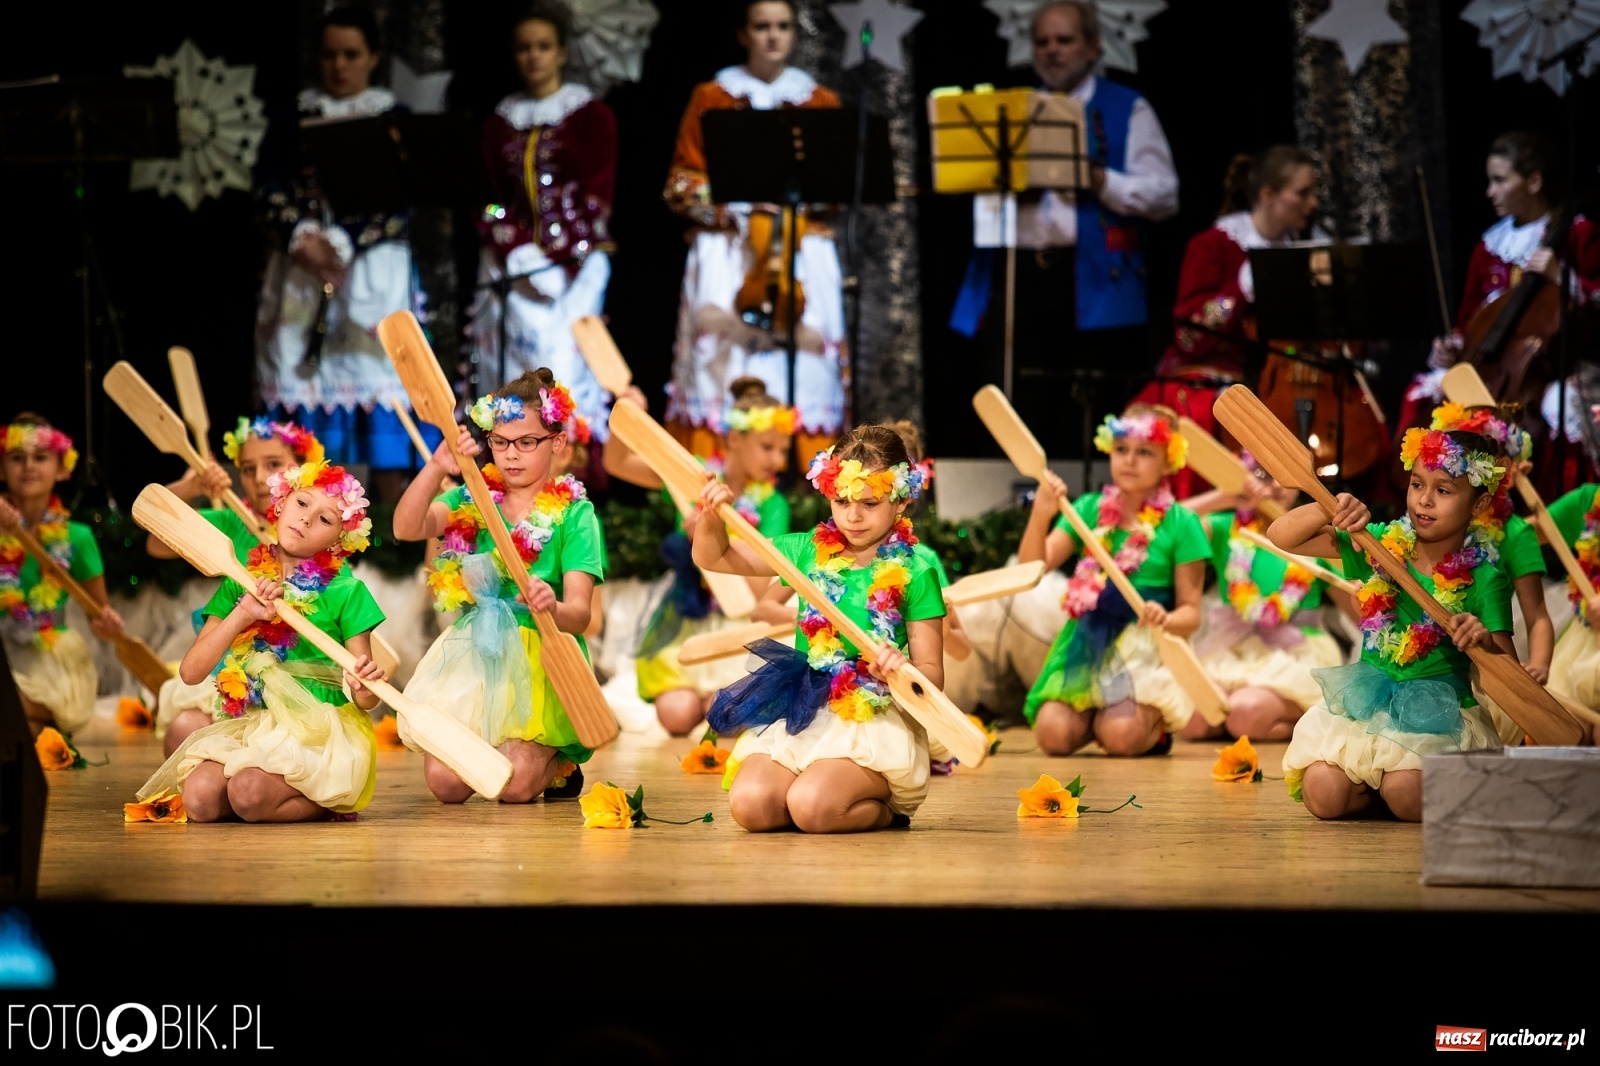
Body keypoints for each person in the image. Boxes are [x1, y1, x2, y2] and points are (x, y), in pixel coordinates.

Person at [954, 0, 1178, 457]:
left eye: (1064, 40)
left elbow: (1164, 196)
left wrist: (1100, 181)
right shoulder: (1011, 111)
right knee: (1022, 398)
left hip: (1092, 280)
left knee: (1090, 406)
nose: (1052, 50)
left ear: (1093, 46)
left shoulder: (1127, 106)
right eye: (1042, 42)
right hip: (1022, 277)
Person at [693, 425, 941, 832]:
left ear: (901, 500)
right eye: (841, 500)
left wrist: (899, 670)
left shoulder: (917, 572)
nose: (853, 516)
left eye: (869, 503)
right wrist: (710, 516)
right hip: (804, 705)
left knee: (813, 808)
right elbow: (714, 557)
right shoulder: (806, 550)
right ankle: (813, 793)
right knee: (751, 806)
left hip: (872, 715)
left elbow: (933, 676)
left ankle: (886, 812)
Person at [1270, 427, 1513, 821]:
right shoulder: (1380, 544)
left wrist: (1482, 642)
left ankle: (1394, 788)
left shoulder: (1486, 579)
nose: (1424, 500)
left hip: (1437, 718)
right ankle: (1372, 788)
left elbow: (1508, 680)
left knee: (1406, 793)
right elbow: (1281, 536)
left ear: (1479, 502)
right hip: (1367, 706)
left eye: (1443, 490)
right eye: (1417, 484)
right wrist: (1329, 506)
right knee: (1322, 795)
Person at [394, 369, 605, 803]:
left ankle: (558, 764)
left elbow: (580, 615)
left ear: (557, 443)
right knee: (445, 784)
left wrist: (552, 606)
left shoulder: (575, 514)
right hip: (478, 651)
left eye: (526, 442)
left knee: (513, 786)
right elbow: (406, 527)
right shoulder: (472, 497)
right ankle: (499, 746)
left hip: (541, 657)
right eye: (500, 442)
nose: (511, 454)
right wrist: (436, 467)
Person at [133, 460, 386, 822]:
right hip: (254, 719)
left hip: (314, 729)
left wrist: (364, 686)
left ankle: (324, 799)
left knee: (247, 793)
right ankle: (261, 797)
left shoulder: (347, 590)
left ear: (340, 539)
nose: (306, 519)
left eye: (325, 519)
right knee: (199, 800)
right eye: (302, 503)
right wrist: (243, 613)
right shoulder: (240, 581)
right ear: (281, 503)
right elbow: (191, 672)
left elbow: (367, 698)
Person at [662, 0, 846, 463]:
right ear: (743, 34)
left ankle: (806, 473)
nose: (773, 36)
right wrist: (736, 203)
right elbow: (681, 184)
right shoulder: (713, 96)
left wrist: (794, 198)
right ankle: (721, 470)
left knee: (807, 363)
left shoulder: (818, 101)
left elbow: (837, 188)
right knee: (721, 364)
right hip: (730, 249)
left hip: (799, 248)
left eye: (782, 26)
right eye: (762, 26)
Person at [256, 5, 427, 503]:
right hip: (302, 272)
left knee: (379, 384)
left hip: (372, 271)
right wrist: (299, 233)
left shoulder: (392, 119)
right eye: (330, 55)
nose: (339, 65)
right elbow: (266, 185)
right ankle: (304, 514)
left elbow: (404, 197)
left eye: (351, 54)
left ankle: (392, 525)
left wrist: (347, 238)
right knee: (300, 380)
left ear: (373, 57)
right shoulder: (293, 117)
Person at [1402, 131, 1600, 497]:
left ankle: (1567, 507)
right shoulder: (1490, 243)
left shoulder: (1577, 234)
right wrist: (1451, 346)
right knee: (1428, 390)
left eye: (1500, 180)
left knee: (1561, 405)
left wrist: (1562, 278)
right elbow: (1468, 319)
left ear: (1534, 182)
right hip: (1492, 362)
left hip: (1558, 366)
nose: (1490, 192)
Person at [1018, 403, 1210, 756]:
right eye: (1121, 449)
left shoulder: (1183, 524)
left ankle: (1141, 727)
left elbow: (1191, 614)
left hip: (1145, 650)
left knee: (1122, 737)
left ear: (1168, 461)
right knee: (1052, 735)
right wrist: (1041, 513)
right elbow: (1030, 567)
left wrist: (1165, 619)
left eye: (1144, 452)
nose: (1129, 461)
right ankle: (1095, 718)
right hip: (1086, 645)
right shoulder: (1089, 509)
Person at [605, 377, 791, 736]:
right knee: (676, 714)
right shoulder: (696, 477)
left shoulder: (773, 505)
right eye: (768, 447)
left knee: (725, 715)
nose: (778, 461)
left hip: (739, 624)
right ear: (734, 439)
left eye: (783, 450)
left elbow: (757, 595)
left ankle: (717, 703)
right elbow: (618, 463)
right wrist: (625, 415)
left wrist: (712, 538)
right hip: (688, 615)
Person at [1132, 145, 1319, 497]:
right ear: (1268, 195)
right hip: (1207, 379)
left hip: (1281, 382)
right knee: (1207, 412)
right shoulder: (1214, 246)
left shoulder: (1304, 252)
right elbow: (1189, 338)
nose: (1313, 203)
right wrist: (1240, 289)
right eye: (1302, 193)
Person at [471, 4, 617, 446]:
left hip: (576, 267)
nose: (534, 56)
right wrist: (516, 248)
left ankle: (572, 473)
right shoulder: (499, 123)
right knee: (514, 379)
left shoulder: (590, 116)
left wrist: (563, 260)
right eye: (524, 48)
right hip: (513, 269)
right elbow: (488, 199)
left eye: (544, 46)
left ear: (562, 52)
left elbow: (598, 195)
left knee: (565, 377)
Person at [148, 418, 326, 754]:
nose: (258, 478)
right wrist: (192, 487)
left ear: (303, 468)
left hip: (299, 673)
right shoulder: (232, 523)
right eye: (247, 468)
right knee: (181, 733)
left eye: (273, 464)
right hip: (236, 668)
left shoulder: (320, 530)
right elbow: (156, 543)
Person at [1182, 453, 1348, 741]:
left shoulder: (1318, 536)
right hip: (1232, 648)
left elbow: (1361, 611)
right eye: (1262, 474)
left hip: (1296, 653)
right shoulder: (1226, 528)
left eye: (1285, 476)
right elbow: (1168, 527)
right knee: (1192, 719)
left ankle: (1310, 721)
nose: (1275, 485)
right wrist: (1226, 497)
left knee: (1243, 713)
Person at [1427, 402, 1553, 745]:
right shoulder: (1429, 522)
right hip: (1430, 660)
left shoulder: (1515, 534)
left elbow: (1537, 616)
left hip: (1488, 660)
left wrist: (1539, 665)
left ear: (1503, 468)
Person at [1, 417, 124, 739]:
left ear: (61, 468)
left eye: (40, 457)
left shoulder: (77, 538)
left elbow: (98, 615)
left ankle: (37, 725)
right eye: (17, 457)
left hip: (51, 658)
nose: (28, 466)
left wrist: (108, 626)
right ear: (1, 468)